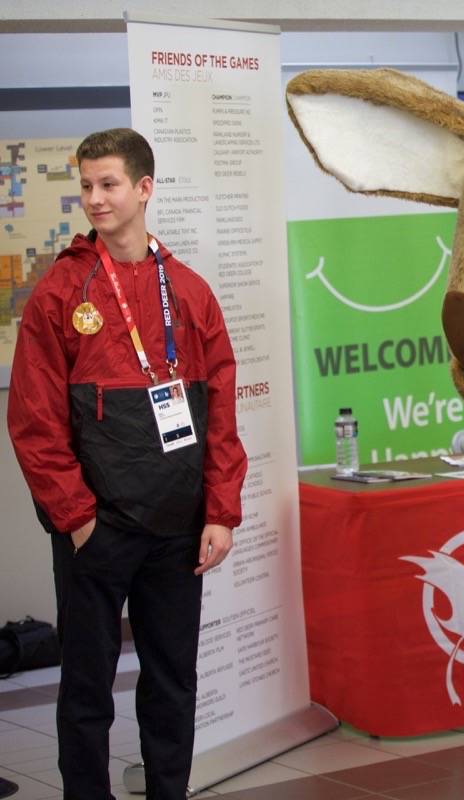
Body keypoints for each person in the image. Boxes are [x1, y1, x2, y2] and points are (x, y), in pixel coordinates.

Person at [7, 128, 247, 798]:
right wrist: (78, 520)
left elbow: (221, 413)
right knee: (87, 686)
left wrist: (221, 512)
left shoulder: (191, 293)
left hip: (178, 528)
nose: (95, 199)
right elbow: (33, 421)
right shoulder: (60, 294)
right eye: (85, 185)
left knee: (172, 680)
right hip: (96, 532)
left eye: (108, 184)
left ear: (144, 188)